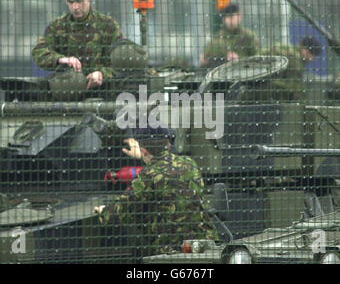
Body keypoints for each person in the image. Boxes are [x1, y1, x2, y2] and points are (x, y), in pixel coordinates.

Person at [93, 126, 216, 258]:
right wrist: (145, 154)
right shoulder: (189, 163)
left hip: (174, 251)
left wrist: (104, 212)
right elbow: (166, 166)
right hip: (205, 245)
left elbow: (123, 210)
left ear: (143, 150)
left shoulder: (148, 176)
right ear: (168, 144)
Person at [32, 0, 123, 90]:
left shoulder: (108, 26)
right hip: (67, 93)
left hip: (103, 93)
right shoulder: (57, 26)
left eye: (79, 1)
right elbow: (38, 52)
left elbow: (121, 64)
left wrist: (102, 74)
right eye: (70, 2)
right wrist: (61, 59)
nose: (75, 7)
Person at [244, 36, 322, 102]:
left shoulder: (281, 47)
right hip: (265, 95)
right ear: (307, 52)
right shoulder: (295, 61)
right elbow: (295, 89)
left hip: (249, 88)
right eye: (313, 56)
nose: (312, 59)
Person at [200, 2, 259, 68]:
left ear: (239, 16)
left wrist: (240, 60)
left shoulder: (248, 36)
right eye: (226, 16)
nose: (229, 19)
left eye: (231, 16)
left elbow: (257, 59)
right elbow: (205, 60)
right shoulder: (217, 38)